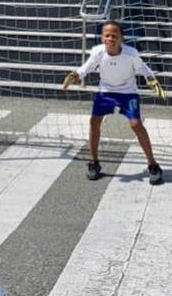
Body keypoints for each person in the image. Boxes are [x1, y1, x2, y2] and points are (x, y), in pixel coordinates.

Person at [62, 21, 166, 185]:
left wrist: (151, 80)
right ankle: (94, 162)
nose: (110, 39)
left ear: (121, 38)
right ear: (102, 37)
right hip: (106, 92)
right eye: (107, 35)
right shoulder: (97, 52)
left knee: (136, 124)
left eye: (114, 36)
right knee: (94, 121)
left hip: (128, 93)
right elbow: (87, 67)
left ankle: (153, 165)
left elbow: (143, 68)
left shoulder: (131, 53)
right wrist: (76, 74)